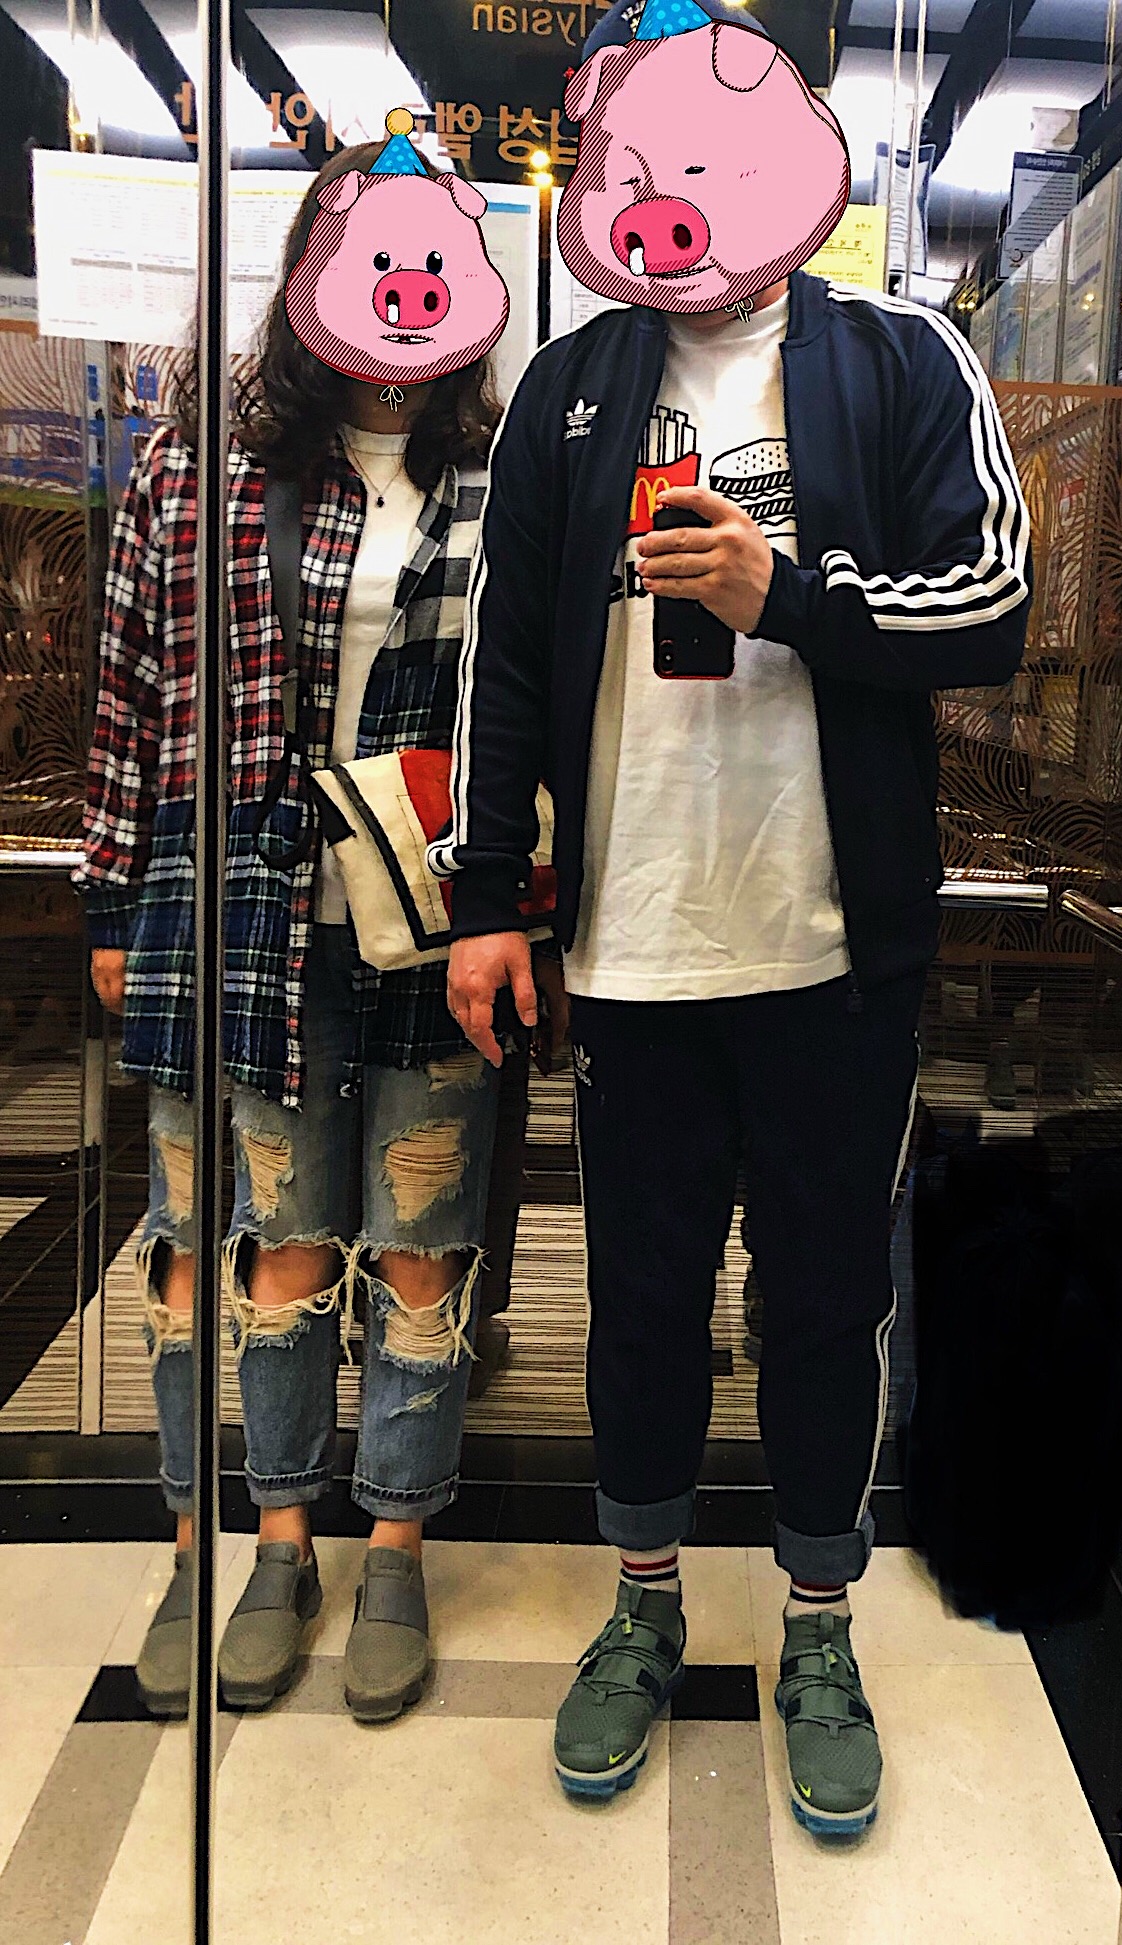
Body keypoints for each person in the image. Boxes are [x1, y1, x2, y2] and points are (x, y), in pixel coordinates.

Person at [439, 0, 1031, 1836]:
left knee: (827, 1302)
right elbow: (504, 662)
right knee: (636, 1301)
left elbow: (993, 604)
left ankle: (820, 1624)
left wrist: (791, 594)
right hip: (630, 943)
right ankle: (638, 1605)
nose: (668, 190)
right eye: (635, 160)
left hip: (830, 945)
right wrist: (484, 899)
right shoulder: (572, 386)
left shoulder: (898, 357)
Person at [76, 130, 555, 1725]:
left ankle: (395, 1539)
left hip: (437, 921)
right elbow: (134, 682)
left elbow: (539, 708)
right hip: (235, 909)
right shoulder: (195, 463)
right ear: (312, 271)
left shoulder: (506, 478)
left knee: (421, 1241)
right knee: (255, 1243)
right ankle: (257, 1542)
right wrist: (107, 888)